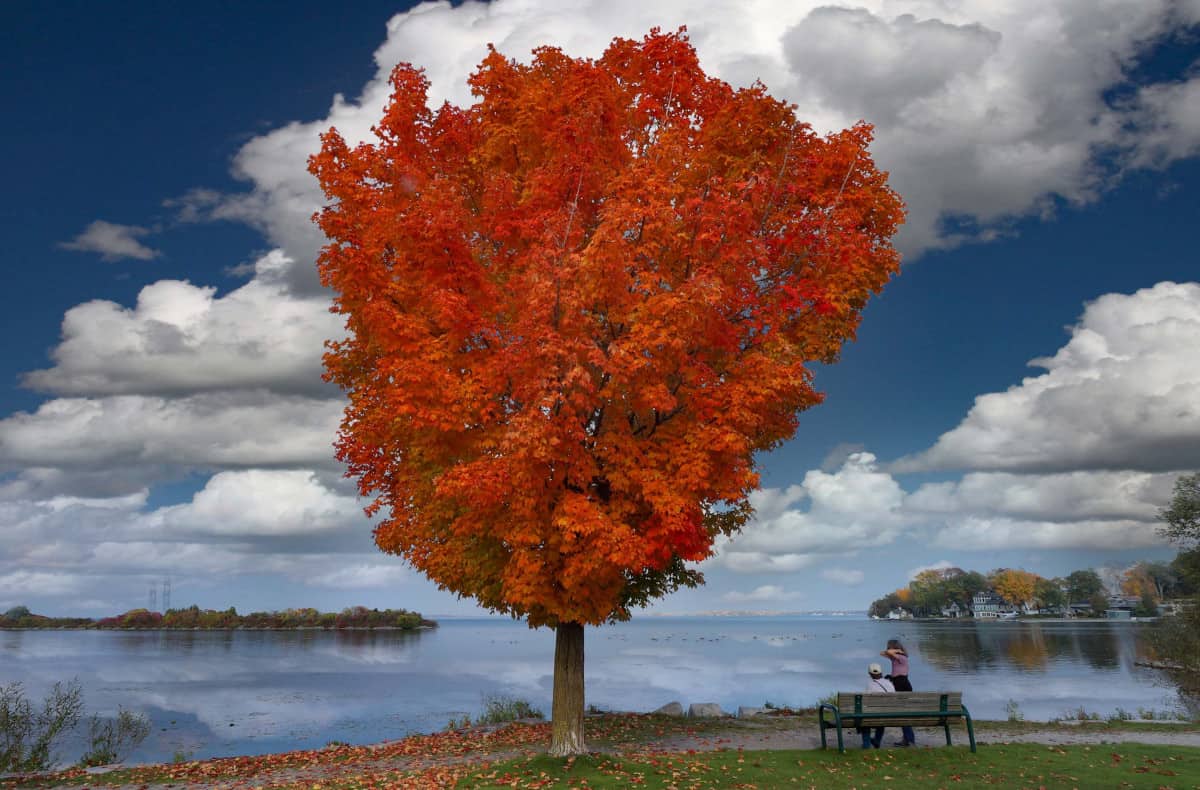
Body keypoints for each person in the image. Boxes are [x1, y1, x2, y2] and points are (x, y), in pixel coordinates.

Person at [881, 638, 916, 746]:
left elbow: (887, 652)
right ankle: (908, 738)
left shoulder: (902, 657)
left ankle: (908, 739)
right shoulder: (895, 658)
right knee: (903, 713)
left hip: (902, 684)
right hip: (898, 683)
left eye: (889, 646)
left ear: (895, 647)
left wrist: (898, 652)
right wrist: (895, 651)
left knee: (903, 713)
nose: (888, 649)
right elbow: (882, 653)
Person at [860, 663, 894, 748]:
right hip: (888, 715)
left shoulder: (870, 685)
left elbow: (866, 702)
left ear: (870, 674)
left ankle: (866, 745)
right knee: (880, 720)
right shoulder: (889, 683)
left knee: (865, 722)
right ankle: (877, 741)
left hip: (873, 715)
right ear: (881, 672)